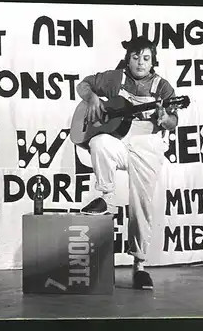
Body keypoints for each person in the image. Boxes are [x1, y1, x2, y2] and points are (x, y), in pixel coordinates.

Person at [76, 36, 178, 290]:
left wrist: (165, 119)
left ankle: (139, 266)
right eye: (135, 57)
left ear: (153, 60)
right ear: (128, 58)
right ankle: (107, 201)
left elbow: (174, 122)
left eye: (146, 58)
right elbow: (83, 84)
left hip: (147, 145)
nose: (140, 63)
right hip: (121, 143)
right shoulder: (115, 79)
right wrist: (92, 100)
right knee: (99, 142)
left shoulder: (163, 88)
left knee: (141, 204)